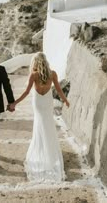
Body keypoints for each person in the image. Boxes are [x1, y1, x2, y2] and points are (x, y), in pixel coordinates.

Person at [10, 52, 70, 182]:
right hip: (47, 103)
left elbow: (26, 92)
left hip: (38, 103)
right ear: (46, 61)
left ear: (36, 63)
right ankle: (50, 154)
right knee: (48, 125)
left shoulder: (34, 75)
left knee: (39, 125)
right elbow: (59, 90)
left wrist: (15, 103)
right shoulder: (52, 74)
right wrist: (65, 100)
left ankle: (41, 153)